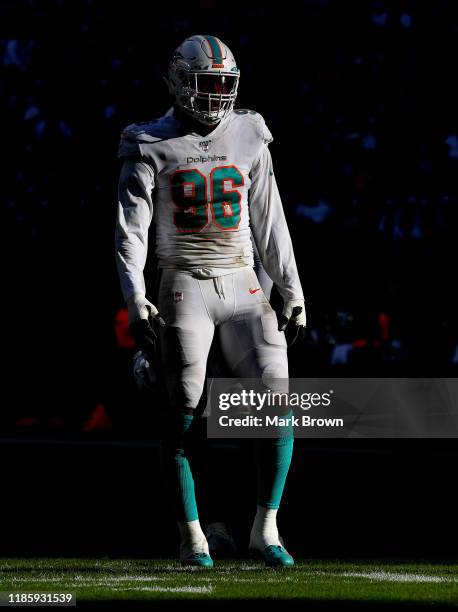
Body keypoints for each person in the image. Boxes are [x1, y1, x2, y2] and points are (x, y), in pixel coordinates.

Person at [115, 34, 306, 567]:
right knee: (184, 406)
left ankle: (264, 530)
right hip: (184, 283)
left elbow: (270, 217)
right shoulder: (149, 140)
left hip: (245, 281)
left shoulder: (249, 131)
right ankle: (193, 536)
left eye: (225, 84)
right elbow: (131, 230)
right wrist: (134, 295)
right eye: (206, 84)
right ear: (177, 83)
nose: (217, 96)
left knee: (278, 401)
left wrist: (290, 288)